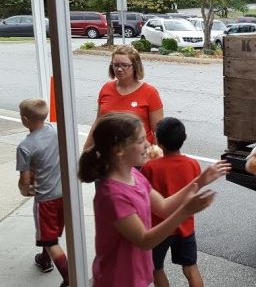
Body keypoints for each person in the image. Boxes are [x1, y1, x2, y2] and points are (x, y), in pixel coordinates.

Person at [78, 112, 231, 287]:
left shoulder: (135, 175)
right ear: (119, 150)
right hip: (117, 279)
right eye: (140, 141)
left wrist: (200, 181)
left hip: (135, 275)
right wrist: (186, 211)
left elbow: (164, 207)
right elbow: (144, 240)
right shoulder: (112, 196)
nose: (148, 145)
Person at [141, 117, 204, 287]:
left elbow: (145, 195)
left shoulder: (150, 167)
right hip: (186, 226)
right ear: (184, 138)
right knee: (190, 269)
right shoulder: (193, 164)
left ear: (159, 141)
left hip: (160, 228)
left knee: (156, 268)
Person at [16, 98, 70, 287]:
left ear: (25, 119)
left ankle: (69, 276)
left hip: (45, 199)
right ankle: (45, 259)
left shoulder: (25, 146)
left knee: (49, 240)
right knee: (52, 234)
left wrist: (25, 190)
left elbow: (25, 180)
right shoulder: (55, 131)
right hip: (64, 194)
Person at [83, 45, 163, 150]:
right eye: (116, 65)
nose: (119, 69)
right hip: (109, 155)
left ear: (135, 66)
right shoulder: (106, 88)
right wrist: (87, 149)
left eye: (125, 65)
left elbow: (159, 132)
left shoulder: (150, 92)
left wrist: (155, 157)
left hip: (138, 157)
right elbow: (98, 122)